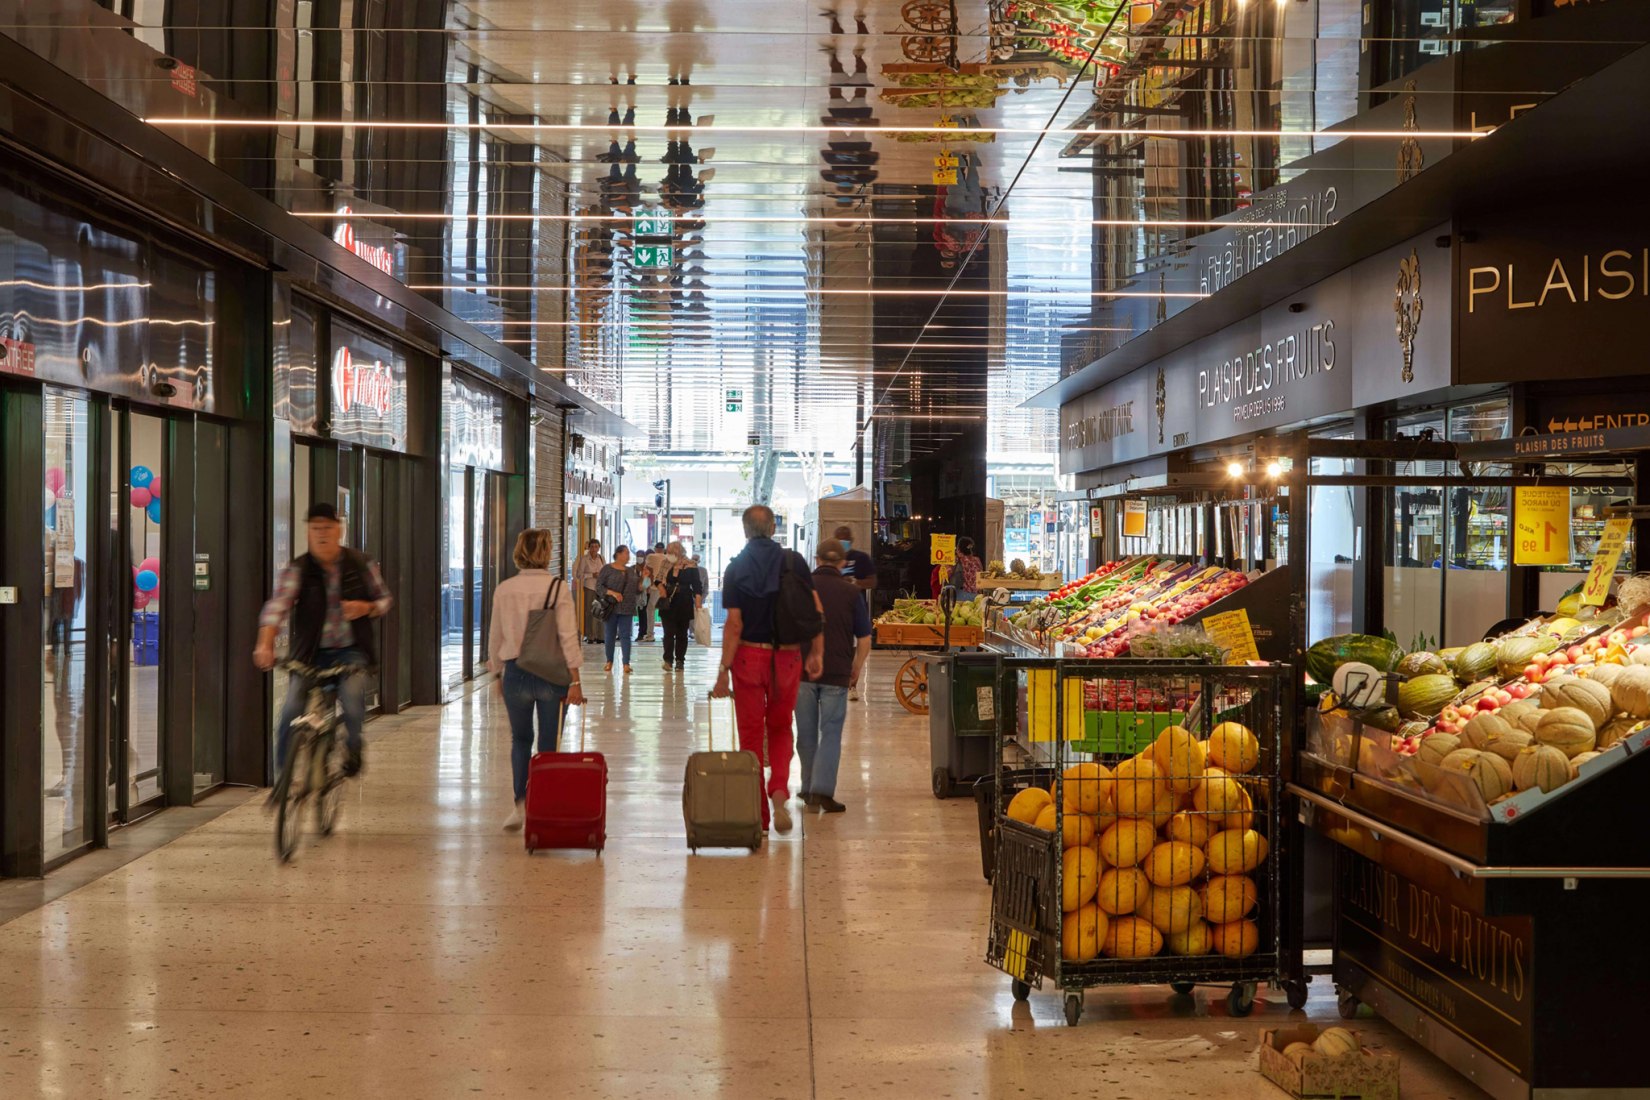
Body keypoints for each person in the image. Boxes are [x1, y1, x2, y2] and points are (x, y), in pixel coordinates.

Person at [254, 502, 392, 777]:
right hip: (310, 654)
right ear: (308, 532)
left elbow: (384, 599)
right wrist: (265, 643)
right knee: (290, 709)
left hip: (351, 652)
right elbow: (277, 607)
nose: (322, 534)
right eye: (315, 528)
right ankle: (282, 779)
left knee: (352, 702)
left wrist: (365, 608)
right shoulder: (299, 569)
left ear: (339, 529)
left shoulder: (360, 563)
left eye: (327, 528)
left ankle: (353, 747)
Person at [711, 505, 824, 834]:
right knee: (779, 728)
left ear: (745, 530)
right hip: (788, 659)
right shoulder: (794, 562)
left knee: (749, 735)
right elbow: (815, 610)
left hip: (749, 656)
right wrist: (816, 651)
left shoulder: (735, 568)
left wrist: (723, 671)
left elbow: (734, 624)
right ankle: (778, 790)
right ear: (774, 527)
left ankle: (758, 814)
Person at [487, 529, 586, 831]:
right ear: (546, 553)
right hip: (552, 675)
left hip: (516, 672)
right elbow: (568, 637)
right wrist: (575, 680)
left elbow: (495, 635)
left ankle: (520, 804)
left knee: (521, 739)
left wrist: (496, 673)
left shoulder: (504, 589)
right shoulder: (558, 589)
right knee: (548, 742)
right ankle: (543, 805)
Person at [795, 539, 872, 814]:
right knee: (830, 733)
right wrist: (857, 667)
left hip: (802, 672)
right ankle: (823, 792)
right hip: (837, 672)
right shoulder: (851, 593)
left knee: (805, 733)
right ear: (842, 563)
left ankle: (807, 788)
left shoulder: (802, 589)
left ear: (816, 560)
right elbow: (864, 638)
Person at [833, 524, 876, 700]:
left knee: (858, 646)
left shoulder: (861, 558)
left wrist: (856, 583)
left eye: (845, 540)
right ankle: (837, 682)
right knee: (839, 647)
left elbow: (872, 582)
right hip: (834, 609)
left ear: (851, 541)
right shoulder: (830, 557)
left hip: (855, 608)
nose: (843, 543)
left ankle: (852, 685)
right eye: (839, 540)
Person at [658, 540, 704, 672]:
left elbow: (697, 586)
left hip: (684, 601)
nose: (669, 554)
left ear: (678, 552)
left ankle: (680, 660)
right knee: (668, 633)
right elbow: (657, 579)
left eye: (671, 552)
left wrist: (698, 603)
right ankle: (668, 660)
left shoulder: (691, 565)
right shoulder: (665, 563)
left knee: (682, 634)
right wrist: (661, 588)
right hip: (668, 601)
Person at [599, 546, 642, 674]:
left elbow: (639, 590)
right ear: (618, 554)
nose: (628, 556)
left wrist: (645, 580)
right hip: (611, 607)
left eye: (629, 553)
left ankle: (626, 664)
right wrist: (612, 593)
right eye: (626, 553)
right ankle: (609, 661)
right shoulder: (607, 569)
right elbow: (599, 586)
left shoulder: (631, 571)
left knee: (625, 636)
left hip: (627, 607)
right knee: (609, 635)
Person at [573, 539, 606, 643]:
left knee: (600, 611)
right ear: (589, 548)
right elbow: (579, 574)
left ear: (599, 548)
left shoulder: (601, 558)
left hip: (600, 588)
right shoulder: (584, 559)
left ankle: (600, 636)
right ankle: (590, 636)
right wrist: (592, 575)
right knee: (590, 611)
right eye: (592, 547)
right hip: (589, 587)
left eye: (596, 547)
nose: (594, 549)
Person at [639, 541, 667, 641]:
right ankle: (667, 634)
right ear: (663, 549)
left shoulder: (650, 556)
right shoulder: (667, 558)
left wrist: (645, 587)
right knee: (665, 611)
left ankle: (650, 634)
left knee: (650, 610)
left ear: (655, 549)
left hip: (655, 587)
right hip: (665, 588)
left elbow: (647, 572)